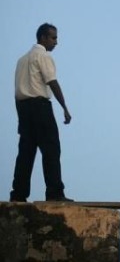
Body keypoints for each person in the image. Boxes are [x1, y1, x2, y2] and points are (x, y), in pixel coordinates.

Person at [10, 23, 73, 202]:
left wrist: (20, 117)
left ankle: (18, 194)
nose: (56, 42)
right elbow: (52, 82)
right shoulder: (43, 55)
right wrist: (65, 108)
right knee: (51, 149)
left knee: (26, 152)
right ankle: (54, 193)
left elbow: (18, 91)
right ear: (43, 38)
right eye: (53, 38)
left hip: (23, 108)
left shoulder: (22, 60)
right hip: (40, 107)